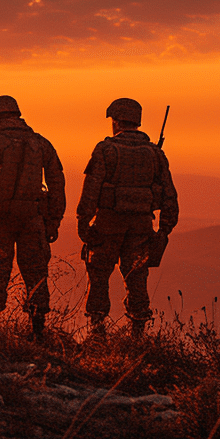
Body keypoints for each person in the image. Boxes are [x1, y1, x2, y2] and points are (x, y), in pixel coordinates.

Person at [0, 95, 66, 341]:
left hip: (0, 220)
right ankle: (37, 333)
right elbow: (57, 184)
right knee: (36, 274)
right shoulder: (41, 143)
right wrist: (53, 220)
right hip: (33, 219)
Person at [77, 98, 179, 337]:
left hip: (107, 225)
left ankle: (97, 330)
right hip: (140, 228)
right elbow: (169, 195)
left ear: (117, 121)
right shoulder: (154, 153)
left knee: (99, 276)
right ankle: (138, 334)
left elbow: (91, 190)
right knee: (137, 278)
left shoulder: (106, 150)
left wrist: (83, 222)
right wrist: (164, 230)